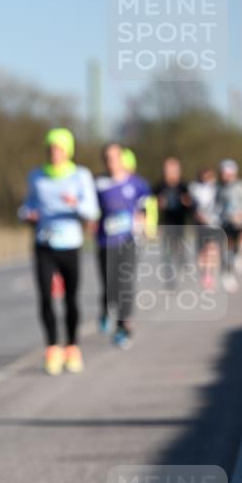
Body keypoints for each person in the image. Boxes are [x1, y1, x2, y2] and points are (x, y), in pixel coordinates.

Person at [19, 128, 99, 375]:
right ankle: (52, 348)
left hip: (70, 244)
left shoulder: (80, 175)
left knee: (71, 299)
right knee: (45, 297)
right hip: (44, 243)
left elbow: (92, 211)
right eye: (51, 148)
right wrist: (27, 214)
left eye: (59, 148)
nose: (54, 153)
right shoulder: (37, 176)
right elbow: (26, 206)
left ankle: (72, 347)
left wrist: (76, 204)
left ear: (68, 151)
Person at [95, 143, 151, 348]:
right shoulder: (98, 183)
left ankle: (123, 328)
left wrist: (142, 226)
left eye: (114, 157)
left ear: (121, 159)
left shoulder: (137, 184)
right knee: (109, 284)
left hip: (128, 241)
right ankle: (105, 309)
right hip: (104, 241)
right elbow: (91, 210)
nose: (111, 162)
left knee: (125, 284)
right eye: (107, 158)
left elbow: (144, 208)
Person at [216, 159, 242, 291]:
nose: (225, 176)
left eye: (228, 173)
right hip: (225, 222)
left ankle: (241, 256)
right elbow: (217, 206)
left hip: (241, 221)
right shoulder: (219, 188)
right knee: (227, 249)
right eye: (223, 173)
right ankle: (228, 274)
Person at [154, 157, 194, 279]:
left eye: (173, 169)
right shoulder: (160, 186)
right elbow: (151, 204)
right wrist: (159, 204)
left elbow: (191, 206)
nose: (170, 172)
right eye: (168, 169)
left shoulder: (184, 186)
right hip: (166, 222)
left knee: (179, 246)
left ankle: (182, 261)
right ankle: (169, 274)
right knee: (167, 249)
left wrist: (187, 203)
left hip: (180, 221)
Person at [189, 166, 223, 291]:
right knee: (202, 251)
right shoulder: (194, 188)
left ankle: (211, 273)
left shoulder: (218, 189)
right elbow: (192, 205)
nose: (208, 179)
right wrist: (197, 215)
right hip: (200, 224)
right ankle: (205, 273)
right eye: (205, 176)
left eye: (210, 176)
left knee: (212, 248)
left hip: (215, 223)